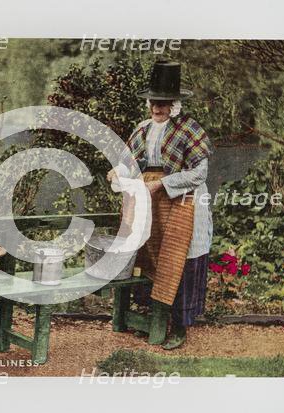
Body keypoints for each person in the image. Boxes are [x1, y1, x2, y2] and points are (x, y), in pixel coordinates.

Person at [107, 60, 213, 350]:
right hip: (152, 202)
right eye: (154, 101)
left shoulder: (189, 130)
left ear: (175, 104)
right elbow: (130, 163)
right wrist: (118, 171)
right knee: (152, 257)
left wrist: (161, 185)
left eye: (164, 102)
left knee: (180, 257)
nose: (158, 107)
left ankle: (179, 326)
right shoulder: (142, 129)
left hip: (184, 200)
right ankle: (154, 319)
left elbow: (199, 173)